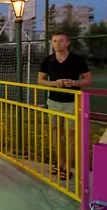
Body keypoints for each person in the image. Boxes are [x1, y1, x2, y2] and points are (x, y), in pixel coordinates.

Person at [38, 31, 92, 180]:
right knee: (56, 133)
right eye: (55, 41)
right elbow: (40, 81)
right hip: (54, 102)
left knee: (70, 135)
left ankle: (68, 166)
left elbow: (88, 80)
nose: (57, 44)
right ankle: (60, 162)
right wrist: (54, 84)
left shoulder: (77, 60)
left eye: (61, 41)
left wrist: (73, 83)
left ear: (67, 43)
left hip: (72, 103)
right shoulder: (48, 60)